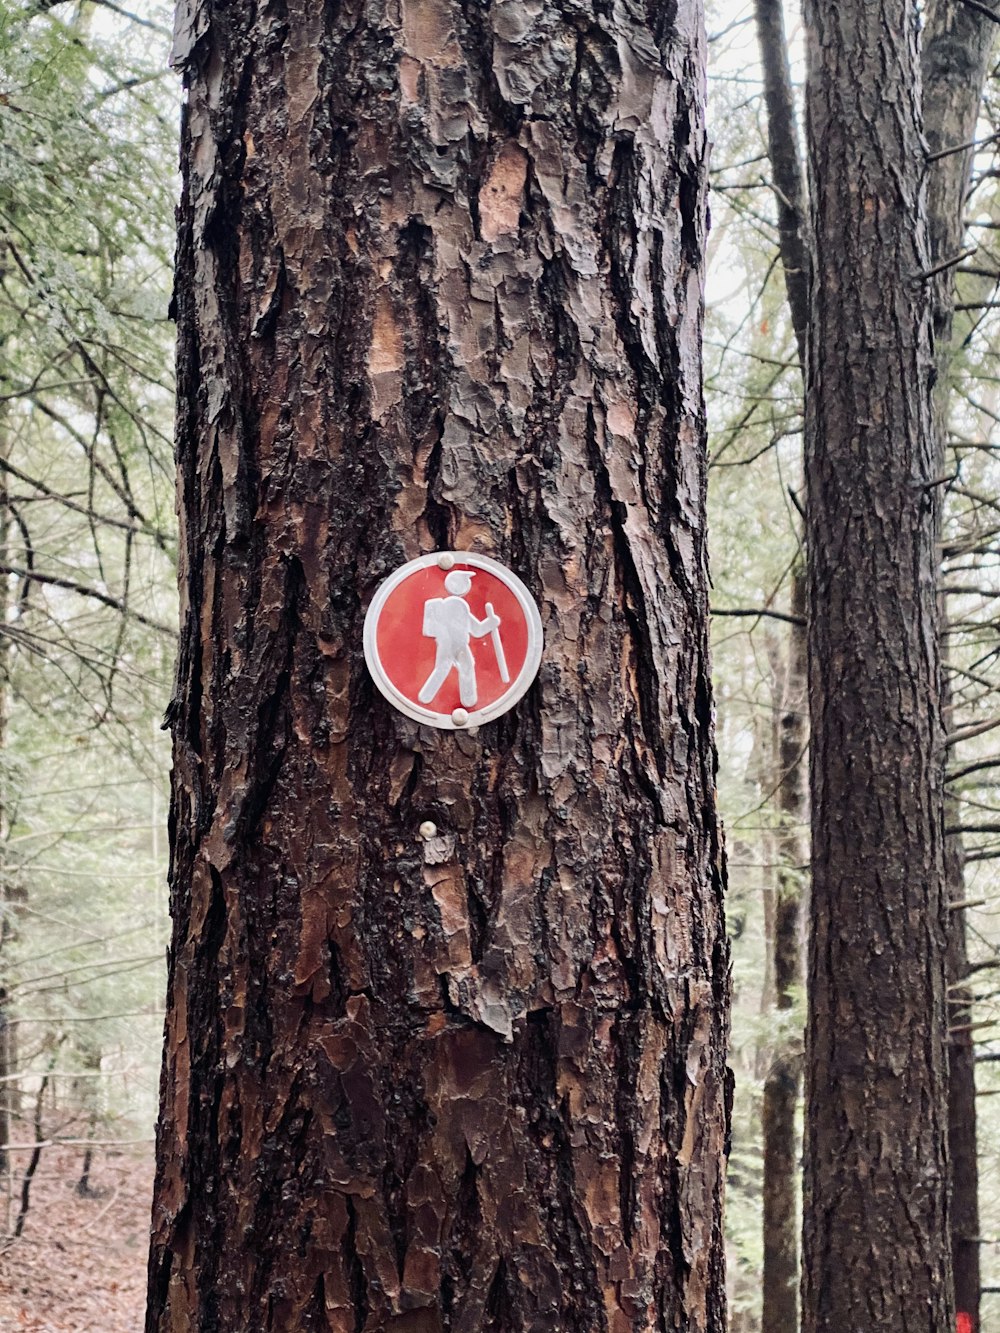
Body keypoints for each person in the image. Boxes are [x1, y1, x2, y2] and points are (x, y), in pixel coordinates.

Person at [418, 570, 501, 708]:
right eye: (465, 581)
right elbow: (475, 630)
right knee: (445, 668)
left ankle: (467, 699)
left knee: (458, 667)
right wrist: (491, 623)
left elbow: (476, 629)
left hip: (460, 644)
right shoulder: (453, 605)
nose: (468, 584)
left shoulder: (461, 606)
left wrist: (491, 623)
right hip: (449, 643)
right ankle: (428, 696)